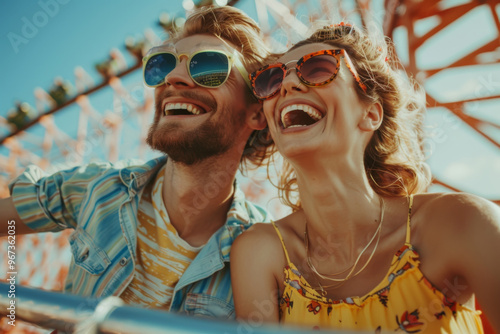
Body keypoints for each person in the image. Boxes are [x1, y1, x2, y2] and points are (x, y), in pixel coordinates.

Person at [0, 5, 273, 319]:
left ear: (256, 112)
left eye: (209, 66)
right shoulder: (98, 188)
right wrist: (11, 305)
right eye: (162, 65)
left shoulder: (264, 253)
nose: (173, 77)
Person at [231, 23, 500, 332]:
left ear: (371, 114)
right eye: (271, 79)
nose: (289, 83)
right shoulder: (263, 253)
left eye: (319, 67)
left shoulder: (462, 222)